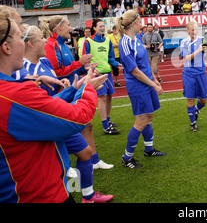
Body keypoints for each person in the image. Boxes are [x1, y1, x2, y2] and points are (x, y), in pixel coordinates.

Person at [0, 13, 106, 203]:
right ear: (6, 47)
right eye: (19, 36)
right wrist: (87, 87)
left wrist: (72, 88)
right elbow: (78, 117)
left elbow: (43, 107)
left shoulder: (15, 88)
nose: (23, 43)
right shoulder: (12, 94)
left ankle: (88, 195)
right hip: (39, 195)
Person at [42, 15, 114, 170]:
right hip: (63, 94)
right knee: (73, 129)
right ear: (60, 27)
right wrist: (79, 64)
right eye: (68, 25)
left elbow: (70, 68)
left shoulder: (63, 45)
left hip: (71, 91)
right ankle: (70, 166)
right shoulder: (51, 45)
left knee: (87, 125)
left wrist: (84, 68)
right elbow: (56, 73)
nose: (71, 28)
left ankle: (93, 161)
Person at [116, 10, 165, 169]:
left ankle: (149, 149)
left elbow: (144, 63)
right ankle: (126, 158)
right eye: (139, 21)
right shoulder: (125, 43)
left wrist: (154, 78)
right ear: (132, 24)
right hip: (138, 86)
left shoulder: (137, 38)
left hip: (147, 82)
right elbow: (135, 71)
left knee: (149, 116)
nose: (142, 23)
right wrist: (154, 85)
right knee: (141, 120)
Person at [82, 19, 121, 135]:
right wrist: (93, 70)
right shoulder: (88, 42)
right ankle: (105, 126)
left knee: (109, 96)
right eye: (99, 26)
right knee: (102, 97)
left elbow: (110, 58)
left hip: (107, 73)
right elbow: (85, 59)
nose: (102, 28)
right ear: (94, 28)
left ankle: (108, 120)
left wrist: (116, 64)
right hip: (96, 74)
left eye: (103, 26)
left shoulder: (107, 41)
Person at [180, 21, 207, 132]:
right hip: (189, 74)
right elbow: (187, 58)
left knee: (204, 100)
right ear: (187, 30)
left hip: (201, 72)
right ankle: (193, 123)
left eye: (196, 29)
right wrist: (198, 50)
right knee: (190, 99)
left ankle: (196, 109)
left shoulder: (202, 39)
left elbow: (206, 54)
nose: (195, 32)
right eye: (192, 30)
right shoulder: (184, 42)